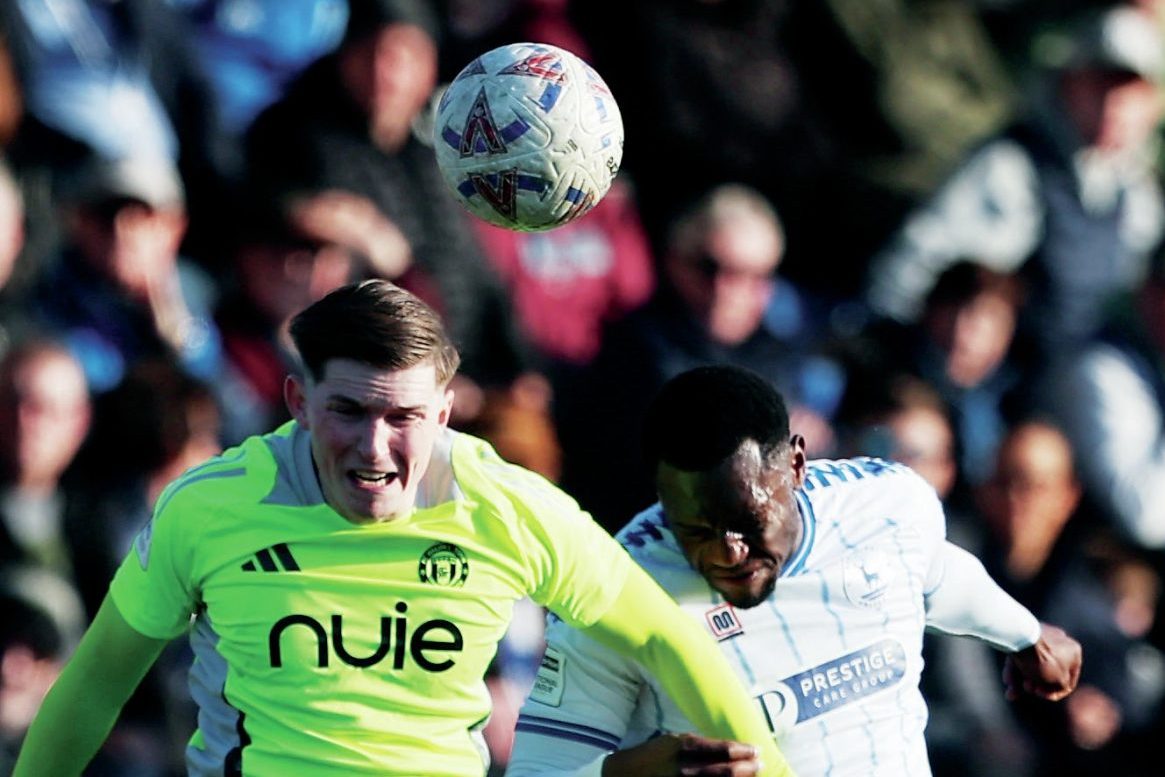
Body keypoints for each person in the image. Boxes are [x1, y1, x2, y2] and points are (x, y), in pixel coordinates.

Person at [12, 280, 791, 777]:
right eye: (348, 410)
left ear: (444, 413)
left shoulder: (506, 506)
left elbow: (664, 636)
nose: (375, 447)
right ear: (298, 401)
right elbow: (97, 679)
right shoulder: (208, 508)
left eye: (404, 416)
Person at [507, 365, 1082, 777]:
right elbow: (538, 771)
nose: (729, 553)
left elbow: (934, 573)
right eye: (697, 531)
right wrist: (638, 773)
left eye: (748, 521)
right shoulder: (616, 593)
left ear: (797, 465)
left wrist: (1025, 633)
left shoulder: (888, 506)